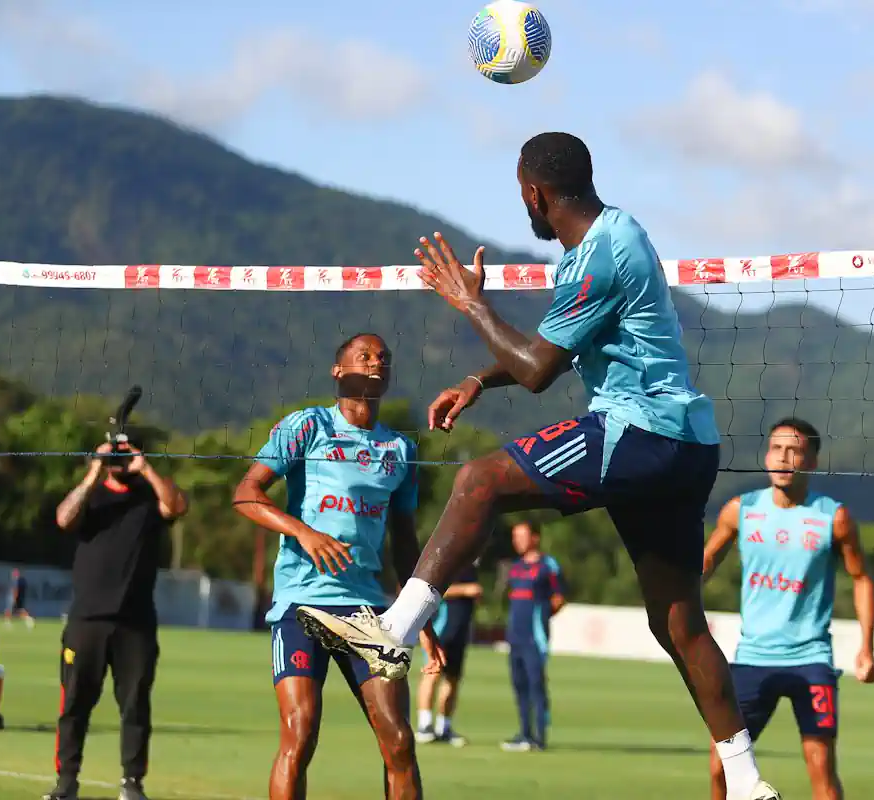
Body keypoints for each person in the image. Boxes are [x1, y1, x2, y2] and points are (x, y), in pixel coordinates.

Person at [298, 132, 781, 800]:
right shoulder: (610, 238)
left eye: (520, 191)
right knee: (676, 622)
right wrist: (477, 379)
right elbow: (539, 352)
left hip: (636, 434)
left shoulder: (595, 260)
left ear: (536, 193)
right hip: (687, 445)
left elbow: (537, 371)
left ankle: (392, 634)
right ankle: (748, 780)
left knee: (479, 481)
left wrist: (469, 301)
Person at [233, 332, 445, 800]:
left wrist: (421, 617)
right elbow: (246, 494)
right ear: (338, 371)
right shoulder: (307, 427)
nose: (375, 363)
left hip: (368, 612)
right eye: (363, 356)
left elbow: (404, 542)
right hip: (302, 605)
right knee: (300, 731)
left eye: (383, 358)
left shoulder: (400, 450)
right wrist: (303, 532)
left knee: (399, 739)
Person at [703, 418, 874, 800]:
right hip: (751, 657)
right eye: (776, 448)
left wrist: (867, 647)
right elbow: (707, 561)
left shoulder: (833, 517)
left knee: (821, 768)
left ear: (811, 461)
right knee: (721, 767)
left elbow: (862, 578)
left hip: (810, 657)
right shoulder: (741, 510)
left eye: (794, 450)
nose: (783, 458)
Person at [46, 435, 189, 800]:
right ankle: (66, 783)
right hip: (87, 622)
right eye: (115, 455)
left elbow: (176, 507)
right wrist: (95, 469)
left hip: (135, 624)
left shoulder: (147, 496)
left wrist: (148, 469)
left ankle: (132, 784)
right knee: (75, 705)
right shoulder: (90, 496)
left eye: (125, 455)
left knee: (135, 707)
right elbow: (63, 519)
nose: (120, 462)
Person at [499, 521, 565, 752]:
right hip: (514, 637)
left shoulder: (548, 566)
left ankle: (540, 737)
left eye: (522, 536)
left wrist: (540, 620)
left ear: (535, 538)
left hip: (534, 638)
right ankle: (524, 734)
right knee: (519, 685)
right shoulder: (515, 567)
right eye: (515, 536)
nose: (517, 540)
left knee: (536, 684)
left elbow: (558, 599)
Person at [416, 560, 483, 747]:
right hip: (441, 628)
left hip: (460, 630)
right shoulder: (447, 561)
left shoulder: (470, 566)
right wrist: (465, 590)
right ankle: (424, 725)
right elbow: (432, 589)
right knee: (433, 673)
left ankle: (444, 728)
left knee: (453, 678)